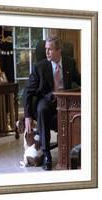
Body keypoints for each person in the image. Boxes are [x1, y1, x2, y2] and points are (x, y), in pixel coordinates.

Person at [23, 36, 81, 170]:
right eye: (46, 49)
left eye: (50, 49)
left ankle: (77, 149)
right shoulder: (39, 67)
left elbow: (80, 80)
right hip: (47, 100)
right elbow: (27, 92)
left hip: (65, 101)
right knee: (41, 110)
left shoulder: (70, 63)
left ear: (59, 50)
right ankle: (46, 153)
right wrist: (27, 116)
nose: (47, 52)